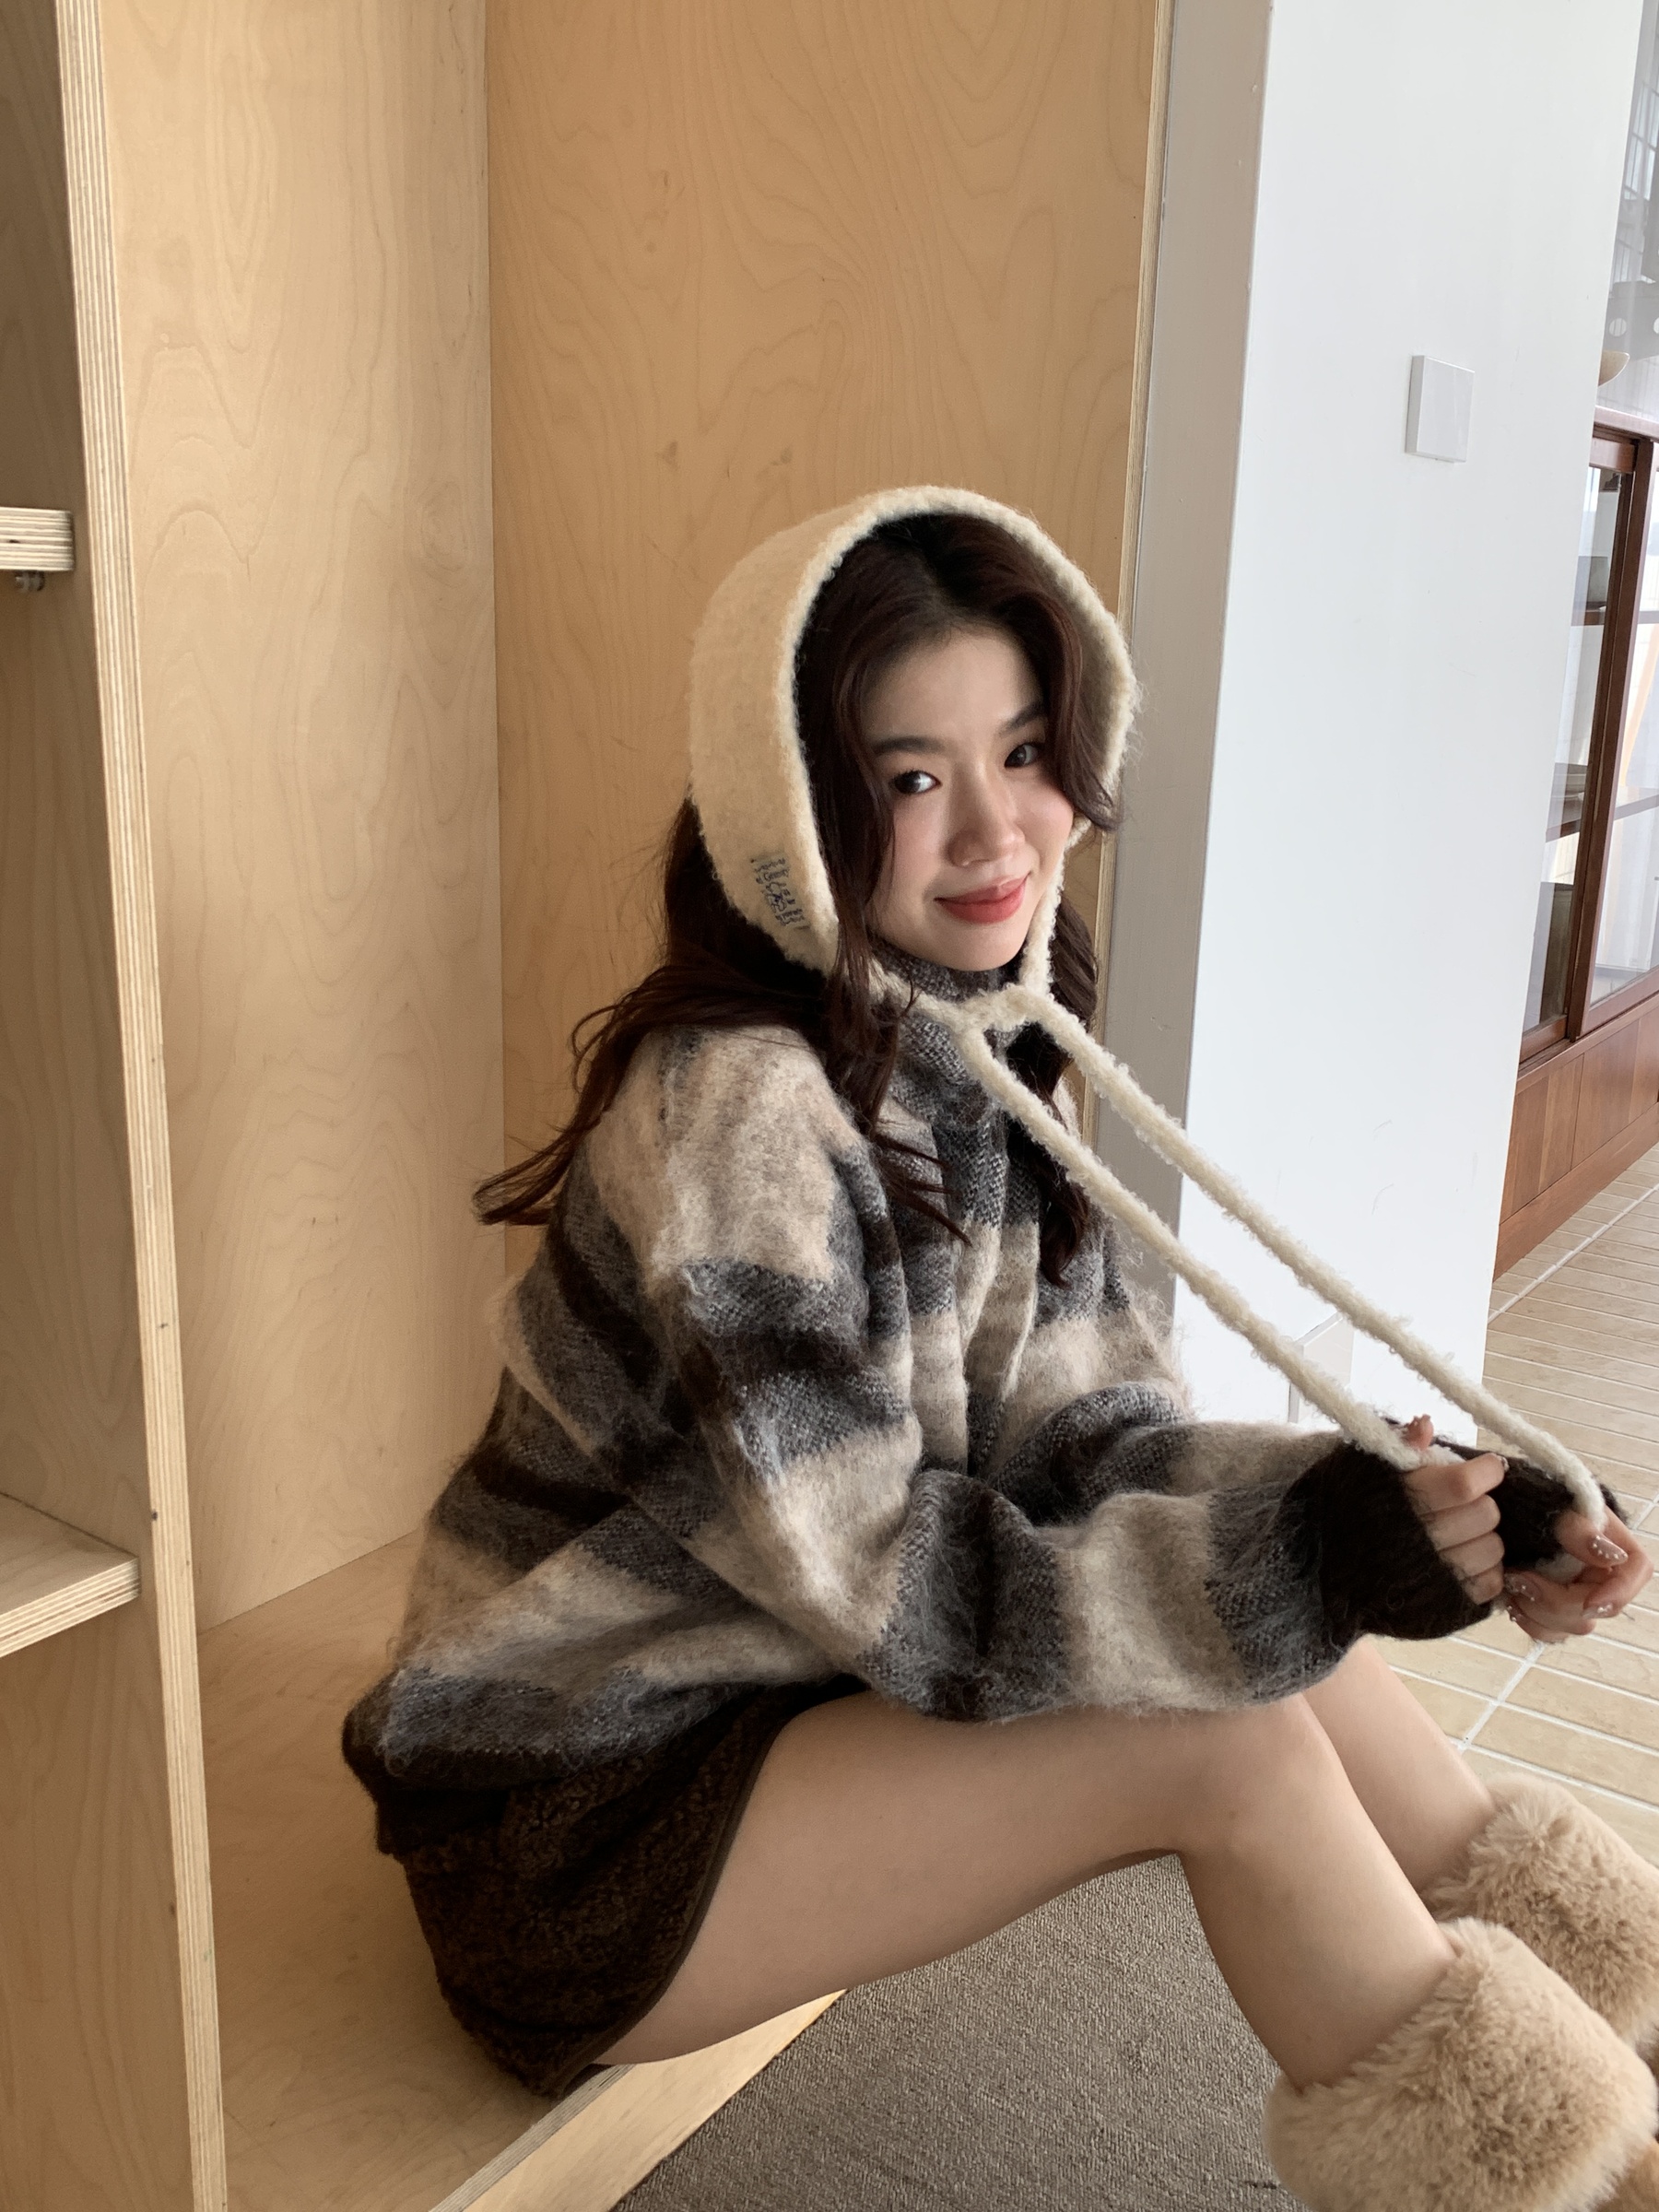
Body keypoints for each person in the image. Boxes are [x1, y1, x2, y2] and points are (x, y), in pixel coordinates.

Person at [347, 490, 1659, 2210]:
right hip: (581, 1813)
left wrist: (1409, 1506)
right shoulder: (738, 1117)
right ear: (789, 809)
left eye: (1025, 750)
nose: (993, 830)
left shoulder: (982, 1045)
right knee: (1225, 1735)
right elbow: (891, 1584)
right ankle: (1574, 2187)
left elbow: (1093, 1441)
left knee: (1287, 1627)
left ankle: (1633, 2031)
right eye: (911, 778)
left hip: (782, 1696)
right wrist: (1312, 1561)